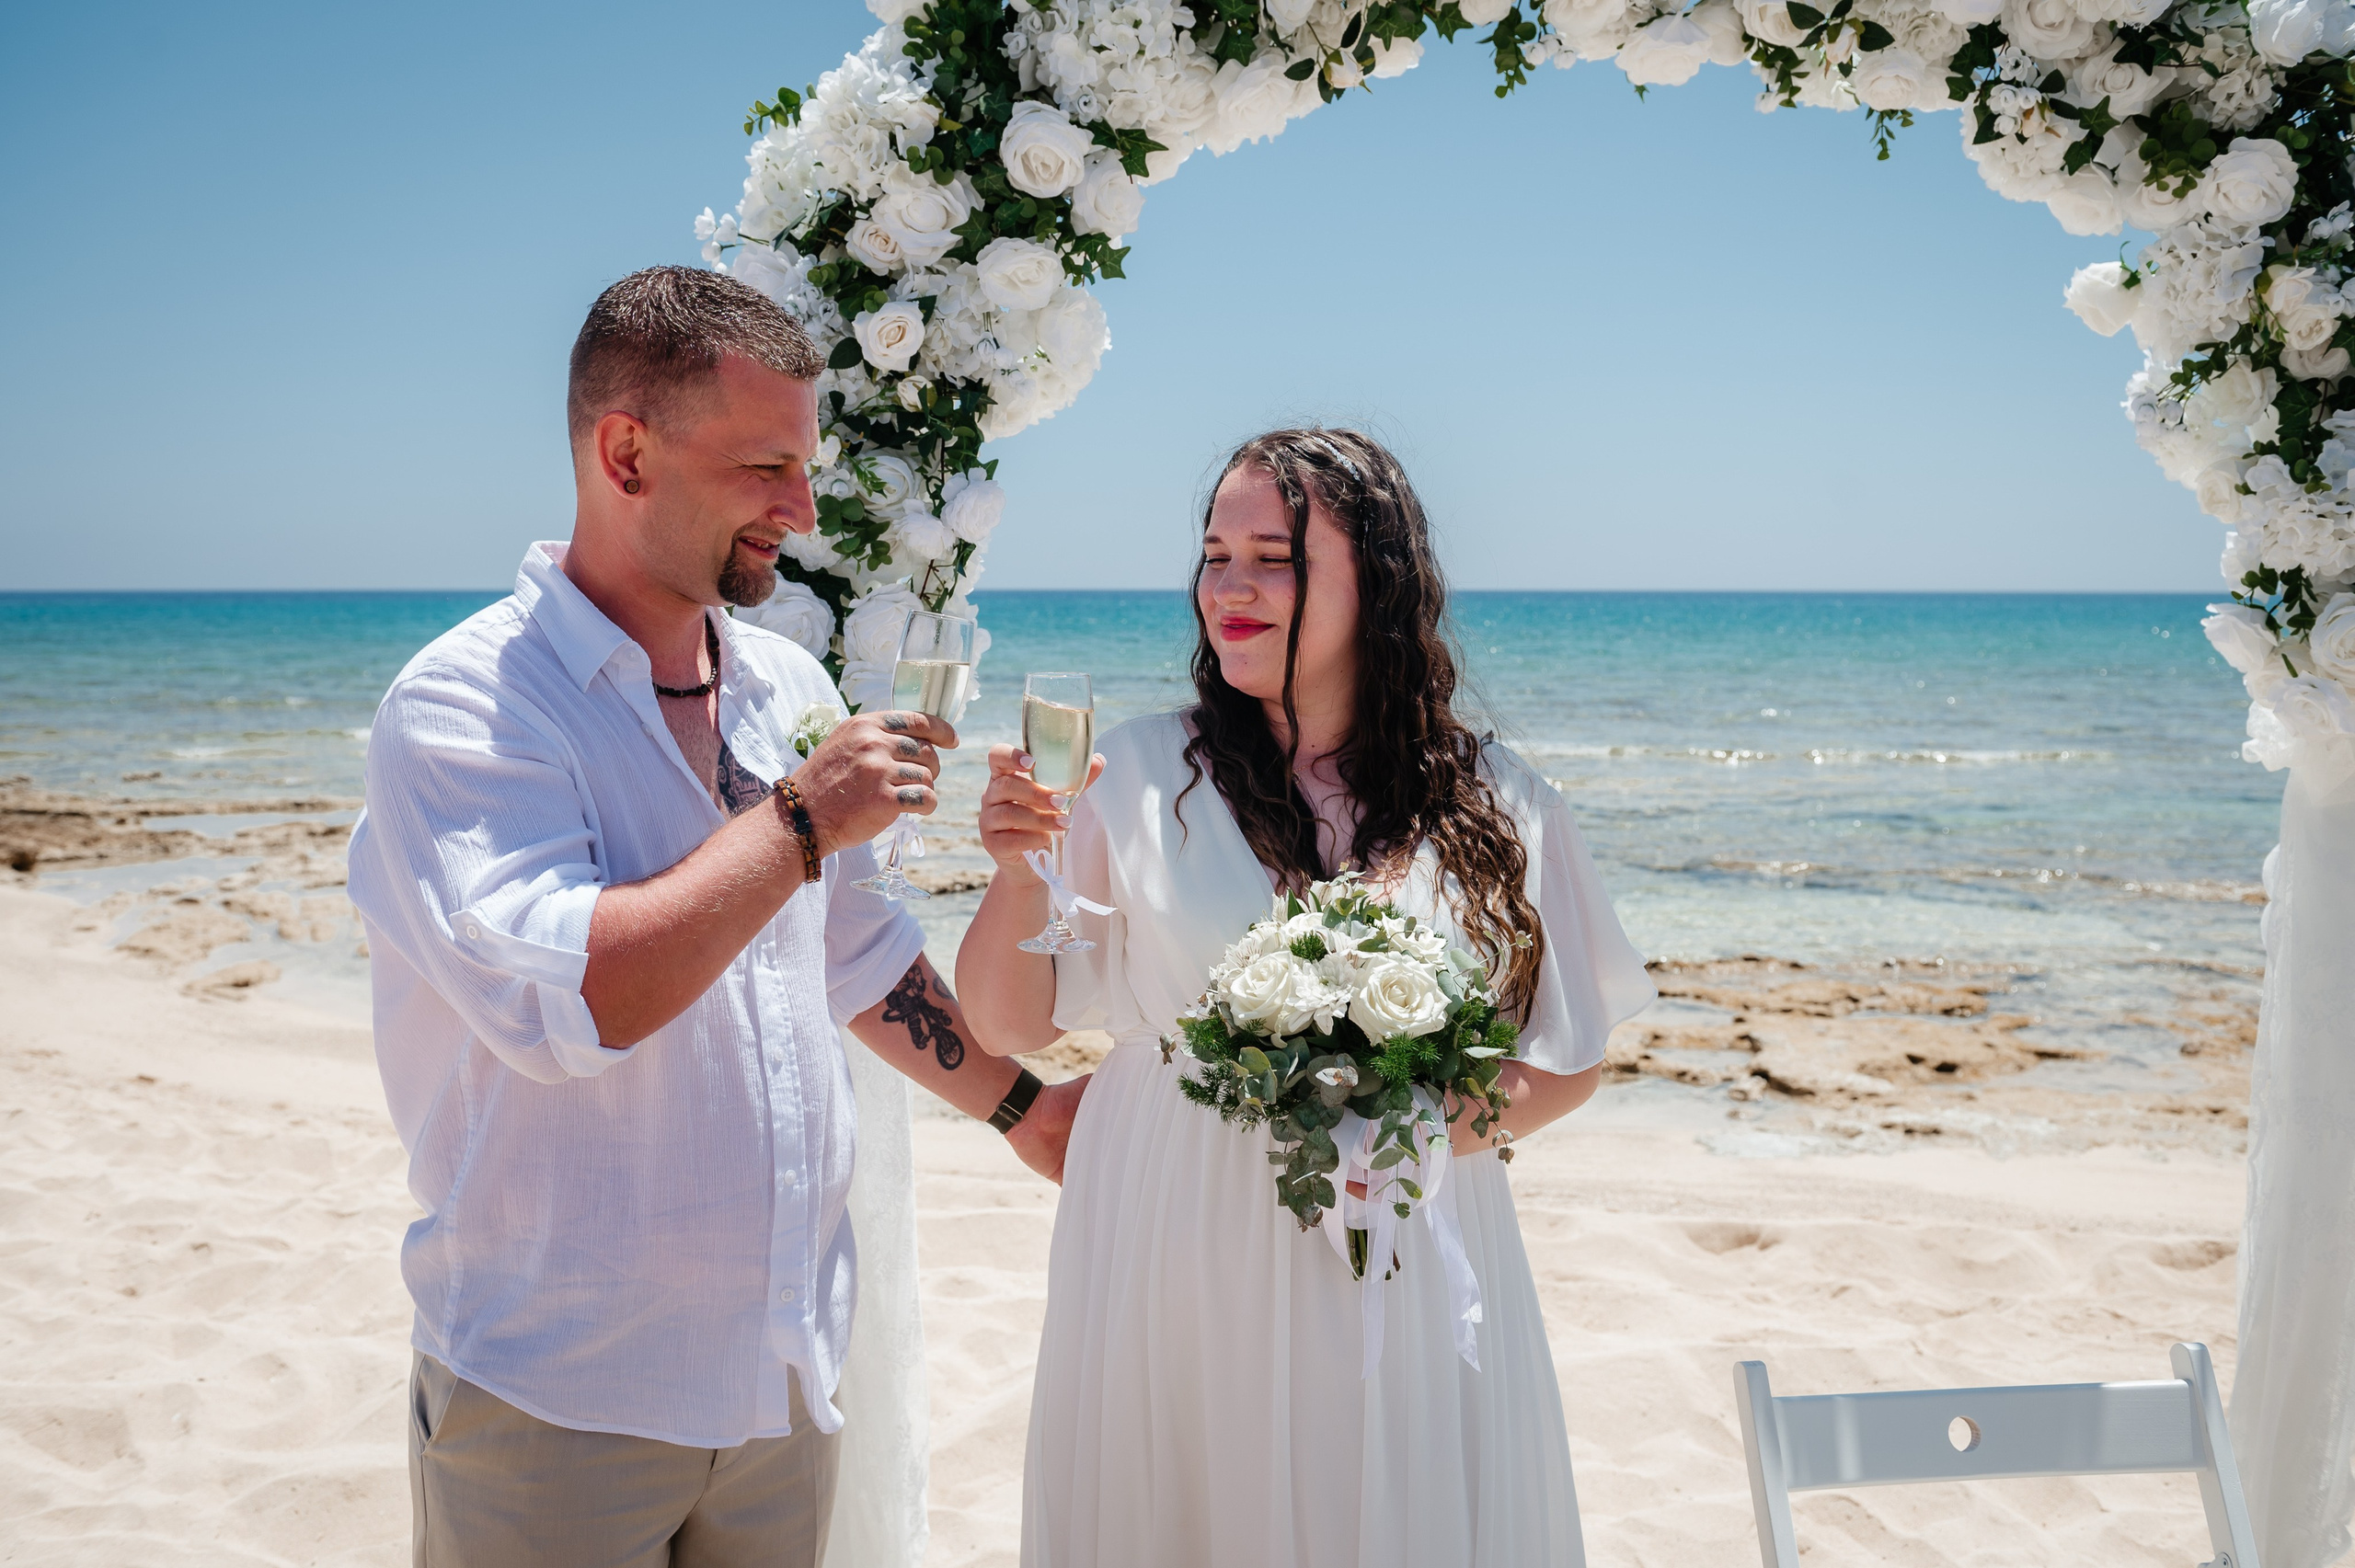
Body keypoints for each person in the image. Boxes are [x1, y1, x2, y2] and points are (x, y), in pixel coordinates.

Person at [348, 265, 1084, 1568]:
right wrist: (799, 818)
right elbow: (575, 1002)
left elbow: (853, 953)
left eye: (806, 467)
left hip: (783, 1377)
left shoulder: (786, 683)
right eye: (765, 468)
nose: (801, 510)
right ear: (625, 453)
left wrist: (1027, 1110)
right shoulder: (466, 705)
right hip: (562, 1396)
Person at [957, 428, 1656, 1567]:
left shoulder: (1498, 798)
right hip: (1177, 1229)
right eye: (1213, 555)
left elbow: (1564, 1059)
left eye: (1272, 559)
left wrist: (1411, 1132)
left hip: (1402, 1236)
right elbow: (1006, 1021)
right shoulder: (1131, 775)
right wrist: (1013, 869)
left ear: (1376, 580)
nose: (1227, 587)